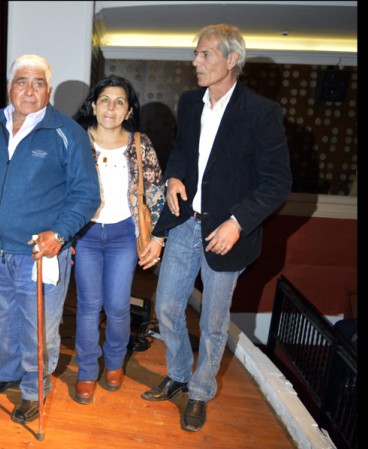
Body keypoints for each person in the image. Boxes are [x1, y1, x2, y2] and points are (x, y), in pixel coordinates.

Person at [141, 24, 292, 432]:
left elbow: (277, 183)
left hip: (225, 234)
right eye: (196, 53)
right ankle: (178, 374)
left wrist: (238, 223)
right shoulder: (191, 101)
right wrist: (174, 177)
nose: (195, 61)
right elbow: (182, 151)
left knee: (212, 322)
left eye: (205, 54)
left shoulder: (261, 112)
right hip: (185, 225)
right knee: (166, 307)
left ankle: (200, 391)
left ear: (232, 59)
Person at [0, 54, 100, 424]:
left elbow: (87, 194)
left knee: (37, 328)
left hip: (40, 254)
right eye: (22, 82)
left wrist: (59, 234)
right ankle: (7, 372)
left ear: (49, 90)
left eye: (38, 83)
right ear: (9, 88)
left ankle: (34, 389)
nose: (29, 90)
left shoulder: (67, 133)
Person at [71, 74, 165, 405]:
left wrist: (158, 238)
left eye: (119, 102)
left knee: (117, 305)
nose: (111, 108)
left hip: (124, 234)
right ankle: (86, 370)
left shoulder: (140, 144)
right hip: (86, 234)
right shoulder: (77, 140)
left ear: (128, 111)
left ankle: (113, 363)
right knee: (88, 305)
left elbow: (156, 192)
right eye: (105, 100)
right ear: (94, 105)